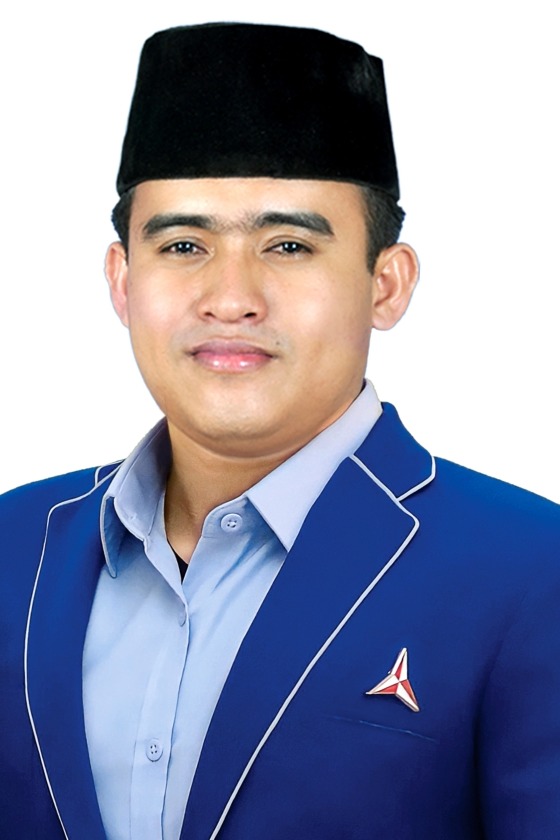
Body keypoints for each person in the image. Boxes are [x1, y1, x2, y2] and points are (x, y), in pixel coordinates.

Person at [1, 22, 559, 840]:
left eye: (289, 245)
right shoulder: (15, 545)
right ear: (122, 280)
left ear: (386, 283)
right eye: (183, 244)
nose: (231, 298)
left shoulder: (530, 570)